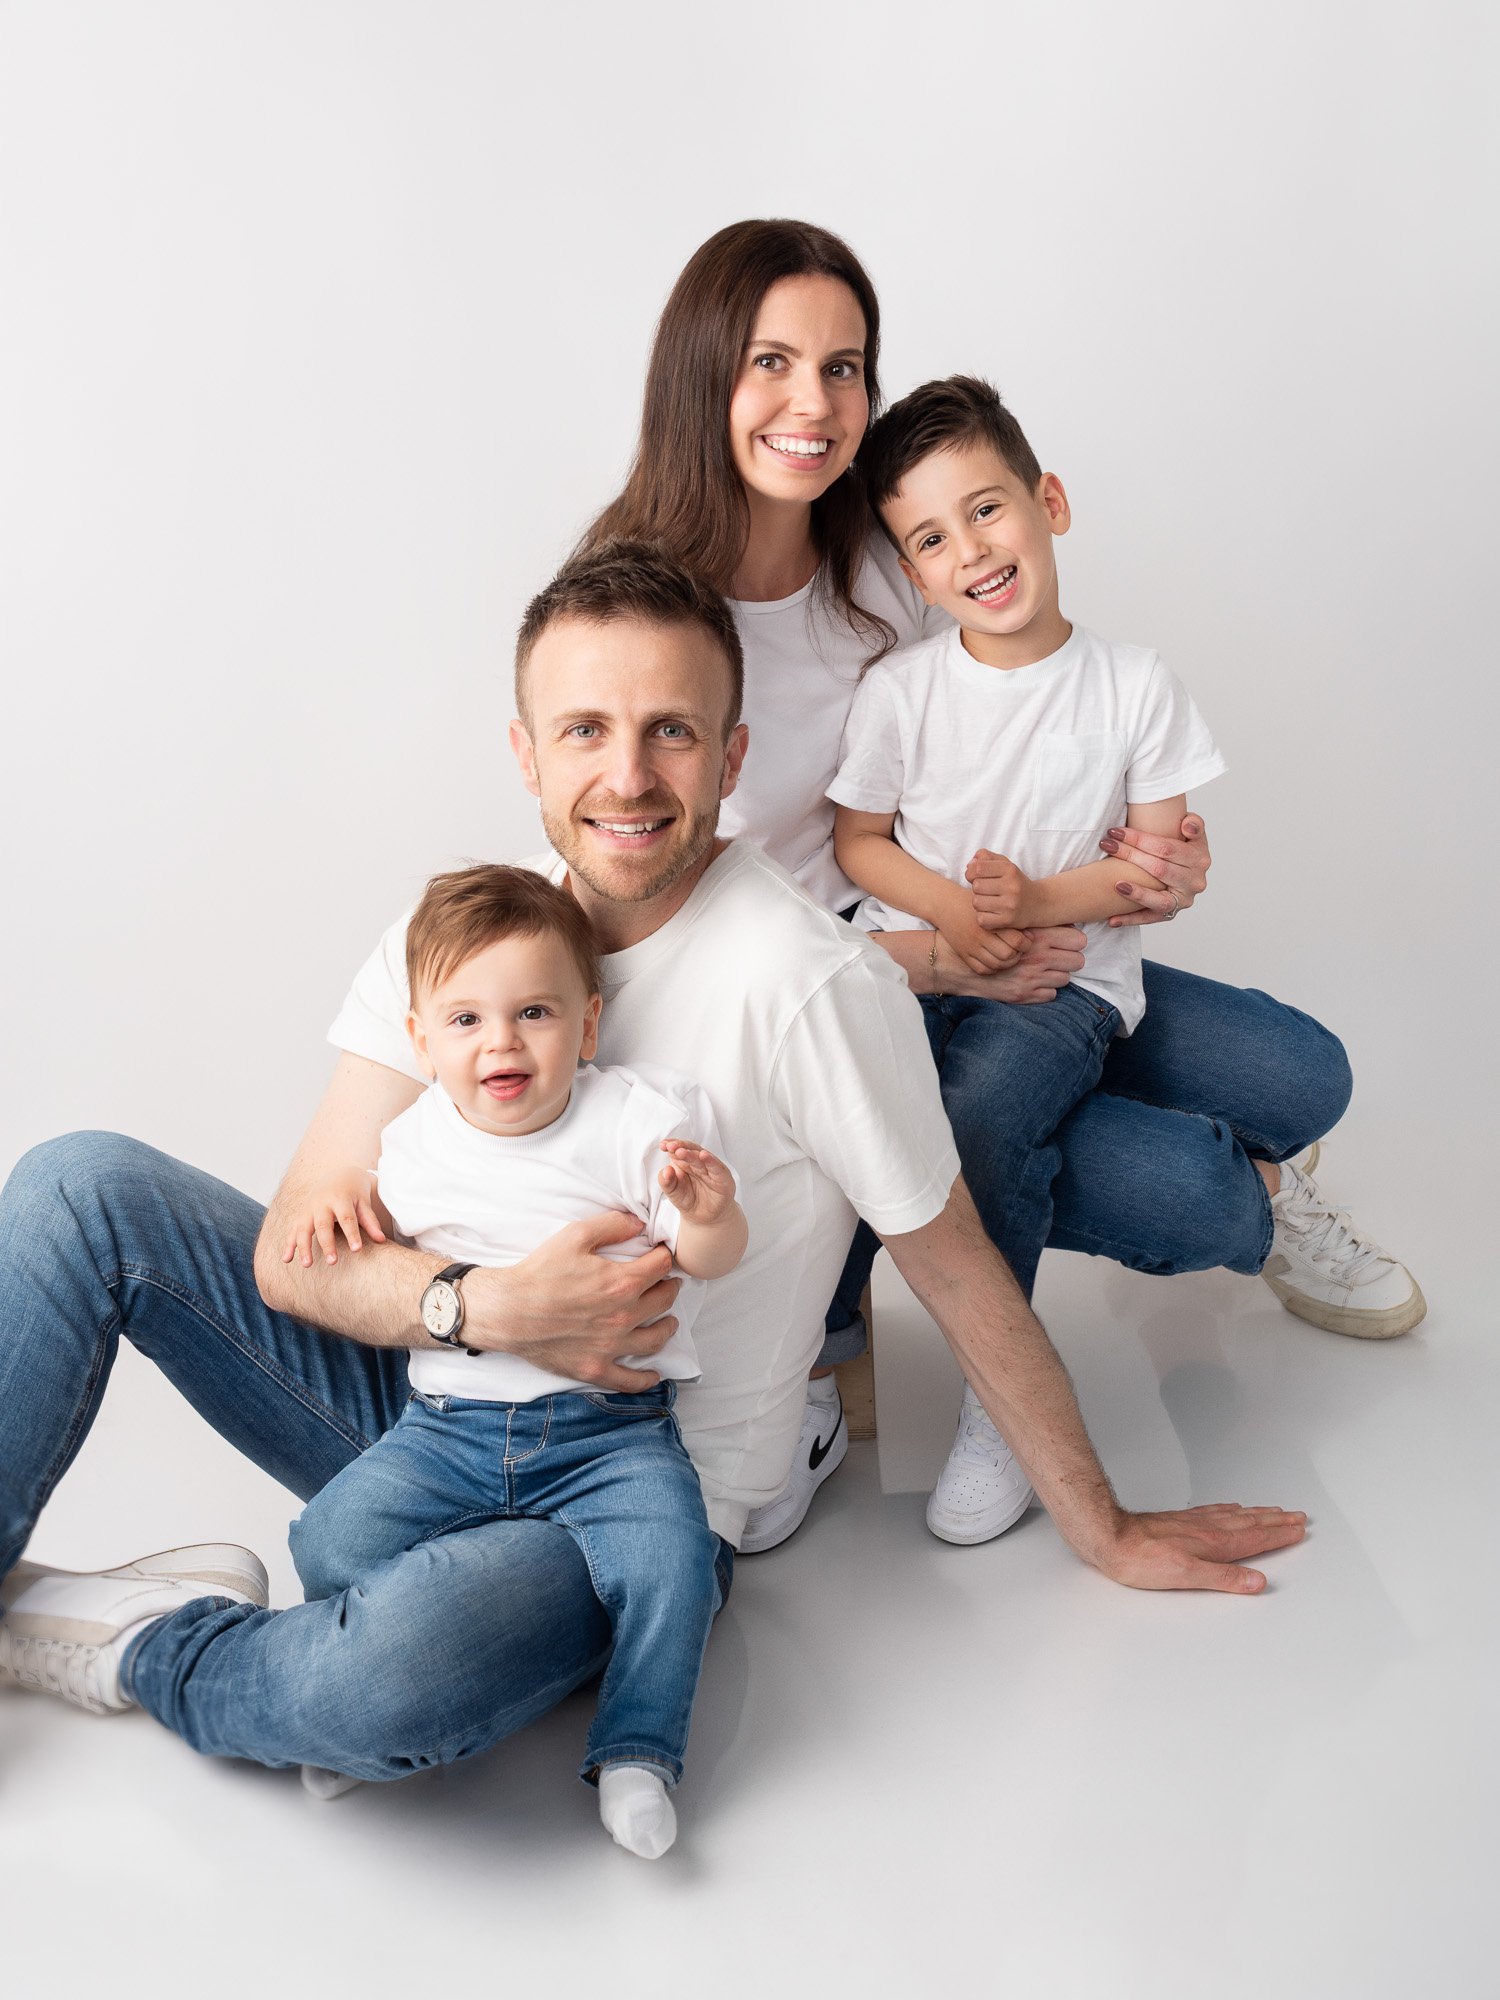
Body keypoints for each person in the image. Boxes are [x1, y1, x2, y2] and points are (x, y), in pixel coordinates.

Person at [0, 544, 1307, 1805]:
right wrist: (486, 1309)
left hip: (624, 1500)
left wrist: (1107, 1526)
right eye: (584, 731)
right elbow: (296, 1254)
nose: (626, 776)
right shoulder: (458, 944)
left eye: (671, 732)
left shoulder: (814, 988)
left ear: (732, 757)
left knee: (391, 1683)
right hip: (425, 1421)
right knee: (79, 1187)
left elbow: (960, 1272)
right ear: (525, 752)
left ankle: (138, 1638)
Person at [580, 218, 1423, 1555]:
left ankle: (1098, 1182)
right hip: (844, 1000)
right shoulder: (641, 609)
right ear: (701, 373)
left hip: (1012, 943)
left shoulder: (879, 551)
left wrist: (1141, 853)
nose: (816, 404)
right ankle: (1068, 1291)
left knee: (1301, 1079)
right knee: (1195, 1192)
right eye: (773, 363)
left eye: (844, 365)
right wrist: (943, 954)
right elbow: (652, 928)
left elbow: (1008, 704)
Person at [829, 373, 1424, 1544]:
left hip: (1070, 987)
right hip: (929, 971)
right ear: (912, 572)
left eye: (988, 509)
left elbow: (1155, 871)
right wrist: (953, 913)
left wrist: (1040, 899)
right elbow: (859, 842)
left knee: (992, 1112)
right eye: (933, 539)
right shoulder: (902, 693)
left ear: (1050, 500)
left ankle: (997, 1412)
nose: (973, 551)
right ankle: (1178, 1218)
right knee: (949, 1105)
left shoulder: (1133, 685)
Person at [285, 862, 746, 1858]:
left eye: (533, 1011)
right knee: (329, 1538)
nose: (501, 1041)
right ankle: (342, 1693)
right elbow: (366, 1270)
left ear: (586, 1024)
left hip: (609, 1436)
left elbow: (706, 1255)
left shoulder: (633, 1119)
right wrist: (337, 1206)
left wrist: (710, 1215)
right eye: (466, 1019)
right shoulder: (407, 1147)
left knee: (673, 1559)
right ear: (420, 1039)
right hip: (445, 1434)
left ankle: (638, 1747)